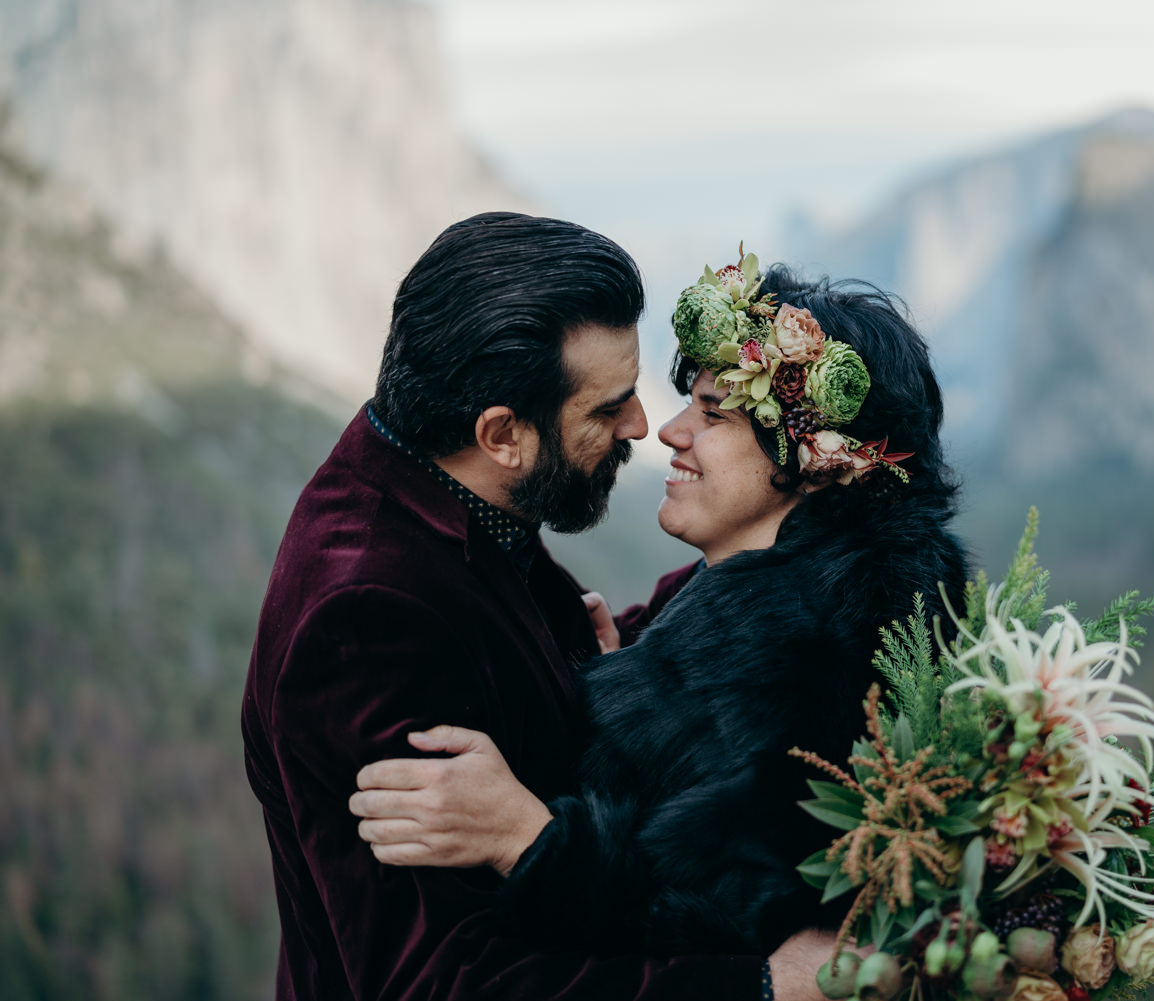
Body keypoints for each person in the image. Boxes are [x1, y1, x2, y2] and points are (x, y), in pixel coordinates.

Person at [241, 214, 833, 1001]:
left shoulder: (436, 475)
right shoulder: (366, 616)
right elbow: (446, 981)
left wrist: (630, 669)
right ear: (502, 434)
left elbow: (518, 667)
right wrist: (761, 986)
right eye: (606, 409)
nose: (641, 425)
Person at [348, 254, 970, 965]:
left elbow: (703, 935)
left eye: (713, 413)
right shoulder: (785, 595)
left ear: (815, 461)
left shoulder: (805, 664)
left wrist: (525, 837)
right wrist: (628, 677)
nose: (668, 431)